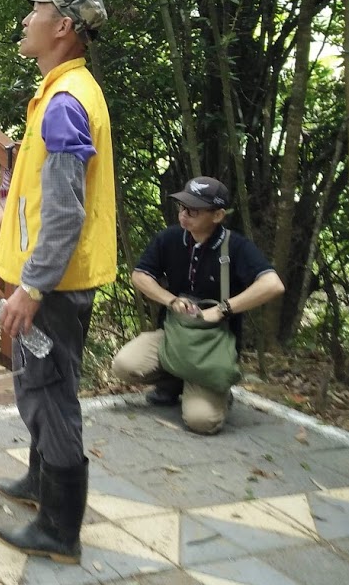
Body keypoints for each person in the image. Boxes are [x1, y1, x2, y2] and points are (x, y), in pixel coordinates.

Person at [0, 0, 115, 564]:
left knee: (51, 393)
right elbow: (44, 194)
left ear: (62, 27)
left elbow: (64, 211)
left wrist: (31, 286)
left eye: (36, 10)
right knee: (38, 385)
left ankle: (62, 530)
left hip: (54, 287)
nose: (27, 18)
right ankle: (40, 484)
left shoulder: (65, 103)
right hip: (51, 280)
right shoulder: (63, 91)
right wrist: (4, 220)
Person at [111, 176, 284, 435]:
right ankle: (174, 381)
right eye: (182, 208)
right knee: (124, 365)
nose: (184, 215)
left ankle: (215, 391)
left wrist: (222, 309)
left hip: (212, 345)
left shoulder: (235, 247)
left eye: (193, 210)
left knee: (202, 422)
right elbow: (139, 275)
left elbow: (273, 284)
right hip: (174, 335)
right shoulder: (170, 238)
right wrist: (170, 299)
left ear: (217, 215)